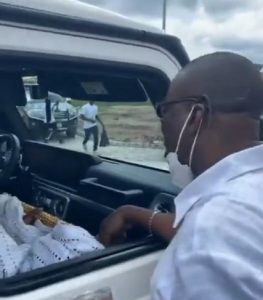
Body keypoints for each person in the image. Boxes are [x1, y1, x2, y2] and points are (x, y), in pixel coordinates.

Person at [99, 52, 263, 299]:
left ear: (196, 116)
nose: (162, 123)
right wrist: (131, 212)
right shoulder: (241, 199)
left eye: (165, 110)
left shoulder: (213, 227)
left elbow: (212, 235)